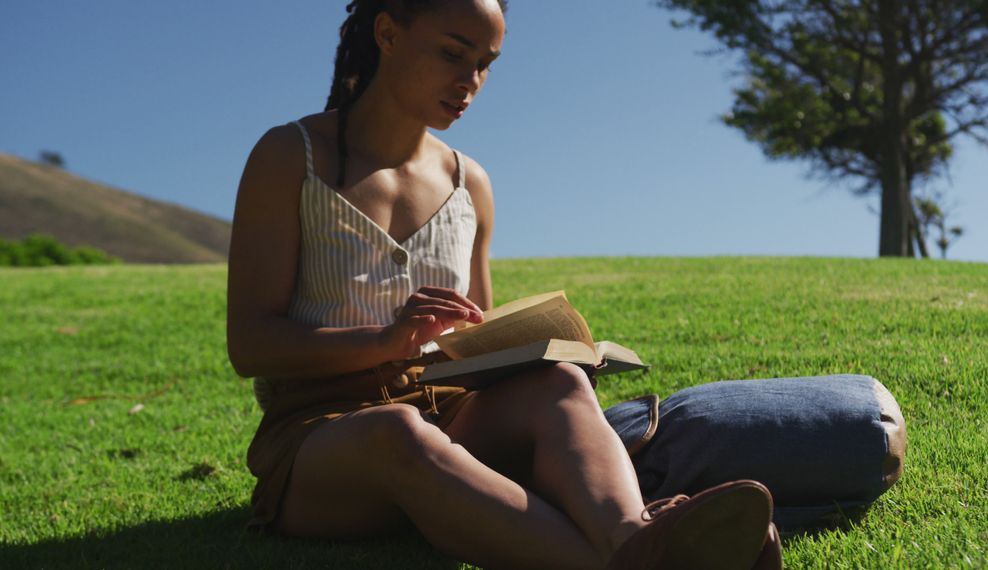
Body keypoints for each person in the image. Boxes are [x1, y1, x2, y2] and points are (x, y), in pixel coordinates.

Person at [226, 1, 782, 568]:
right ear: (388, 33)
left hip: (449, 415)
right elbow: (251, 345)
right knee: (396, 431)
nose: (470, 82)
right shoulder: (291, 157)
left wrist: (533, 354)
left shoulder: (471, 184)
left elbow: (476, 347)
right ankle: (644, 560)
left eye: (485, 63)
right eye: (452, 53)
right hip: (320, 436)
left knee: (561, 383)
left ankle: (630, 538)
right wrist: (384, 342)